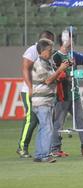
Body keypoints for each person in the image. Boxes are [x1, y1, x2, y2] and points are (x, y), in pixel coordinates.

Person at [51, 28, 83, 157]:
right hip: (62, 95)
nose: (73, 39)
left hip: (75, 94)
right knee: (58, 122)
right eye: (71, 37)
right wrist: (69, 74)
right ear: (65, 39)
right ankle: (55, 149)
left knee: (81, 120)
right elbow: (55, 74)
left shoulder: (73, 54)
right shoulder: (56, 56)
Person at [16, 30, 55, 158]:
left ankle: (41, 151)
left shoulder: (45, 54)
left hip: (39, 90)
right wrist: (30, 87)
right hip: (31, 90)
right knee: (31, 119)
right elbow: (25, 67)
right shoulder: (32, 50)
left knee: (41, 123)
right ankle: (22, 147)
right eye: (51, 41)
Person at [32, 39, 69, 163]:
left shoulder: (47, 62)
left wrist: (60, 71)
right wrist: (60, 70)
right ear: (42, 51)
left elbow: (51, 79)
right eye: (49, 50)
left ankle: (39, 154)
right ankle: (45, 155)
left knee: (43, 128)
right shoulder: (40, 64)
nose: (51, 51)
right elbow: (48, 80)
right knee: (47, 128)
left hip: (44, 100)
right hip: (42, 101)